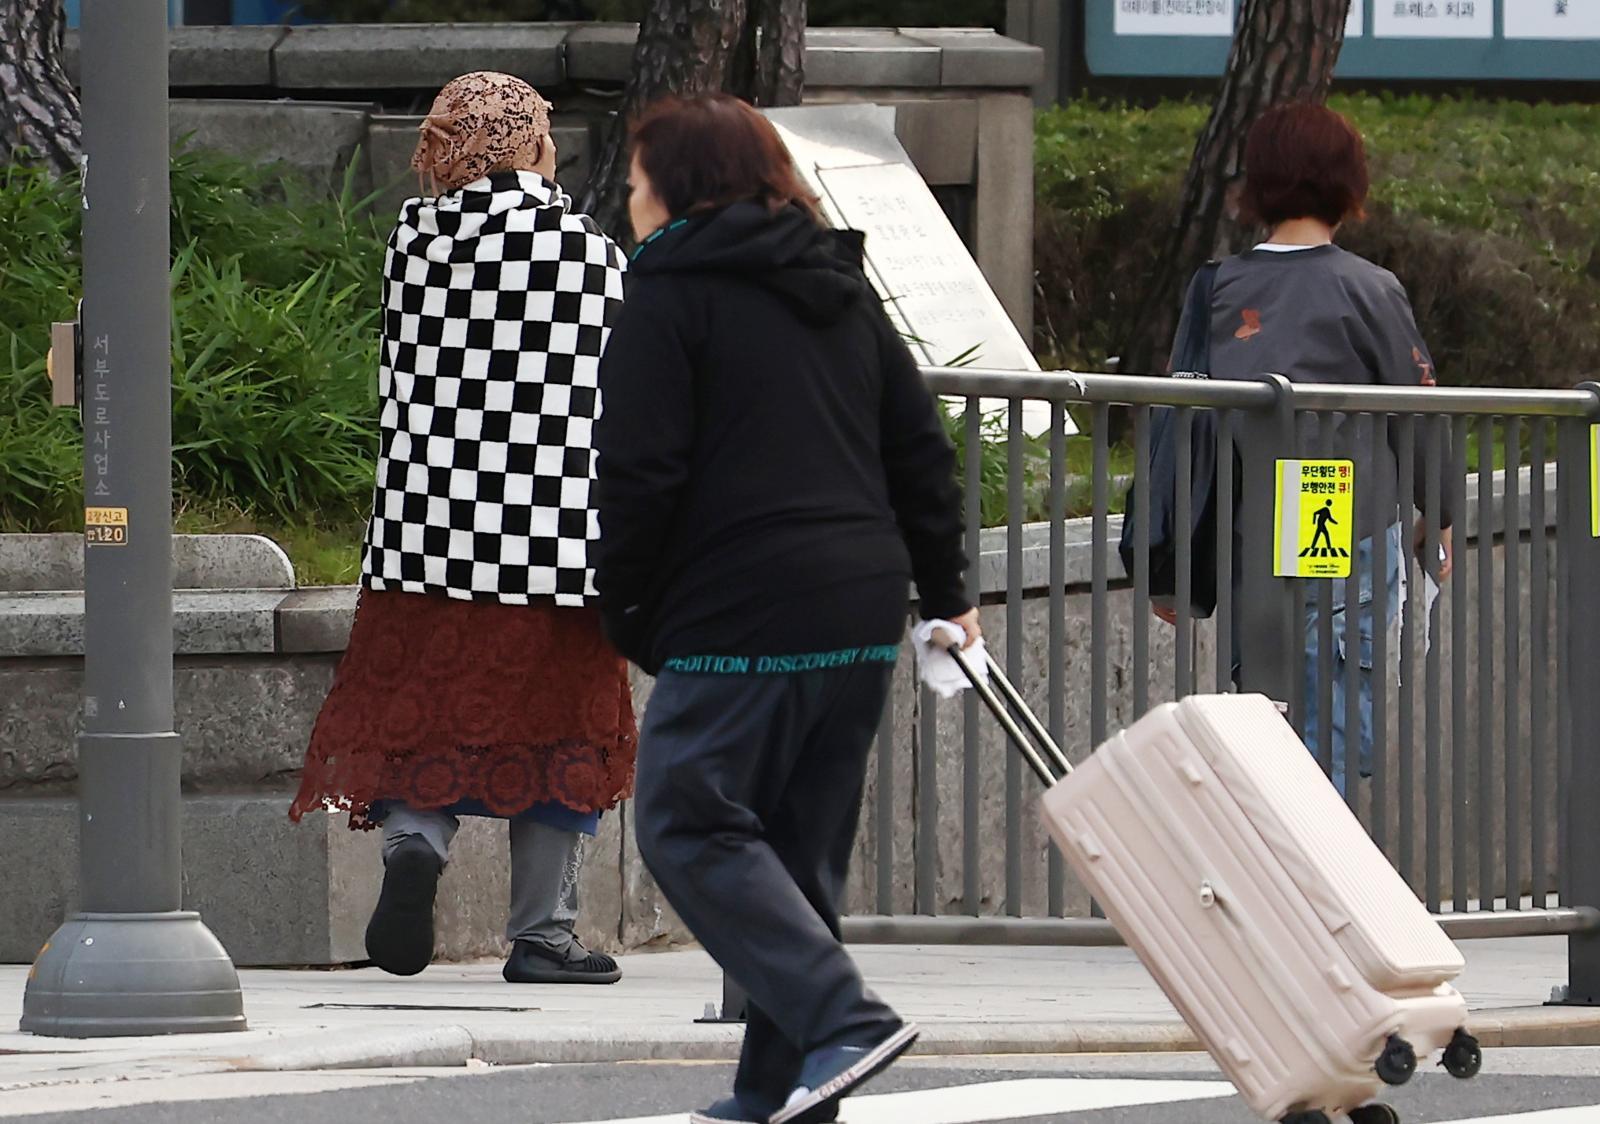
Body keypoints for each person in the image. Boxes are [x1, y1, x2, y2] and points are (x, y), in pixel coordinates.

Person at [592, 94, 978, 1124]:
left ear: (676, 186)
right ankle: (778, 1083)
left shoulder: (667, 296)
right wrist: (944, 592)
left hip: (739, 602)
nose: (627, 203)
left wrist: (625, 610)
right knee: (796, 846)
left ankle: (843, 1016)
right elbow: (918, 449)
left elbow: (638, 475)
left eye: (634, 182)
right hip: (857, 600)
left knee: (685, 815)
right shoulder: (837, 287)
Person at [289, 72, 636, 985]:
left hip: (424, 535)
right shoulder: (583, 251)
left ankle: (413, 847)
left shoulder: (415, 239)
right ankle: (544, 935)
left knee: (427, 717)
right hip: (547, 543)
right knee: (564, 731)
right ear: (525, 143)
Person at [1174, 102, 1454, 794]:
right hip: (1348, 516)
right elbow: (1419, 411)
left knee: (1263, 706)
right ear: (1347, 184)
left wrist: (1164, 554)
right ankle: (1322, 875)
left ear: (1257, 184)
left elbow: (1178, 421)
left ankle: (1269, 873)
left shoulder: (1215, 287)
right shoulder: (1370, 289)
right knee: (1335, 706)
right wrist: (1438, 517)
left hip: (1251, 527)